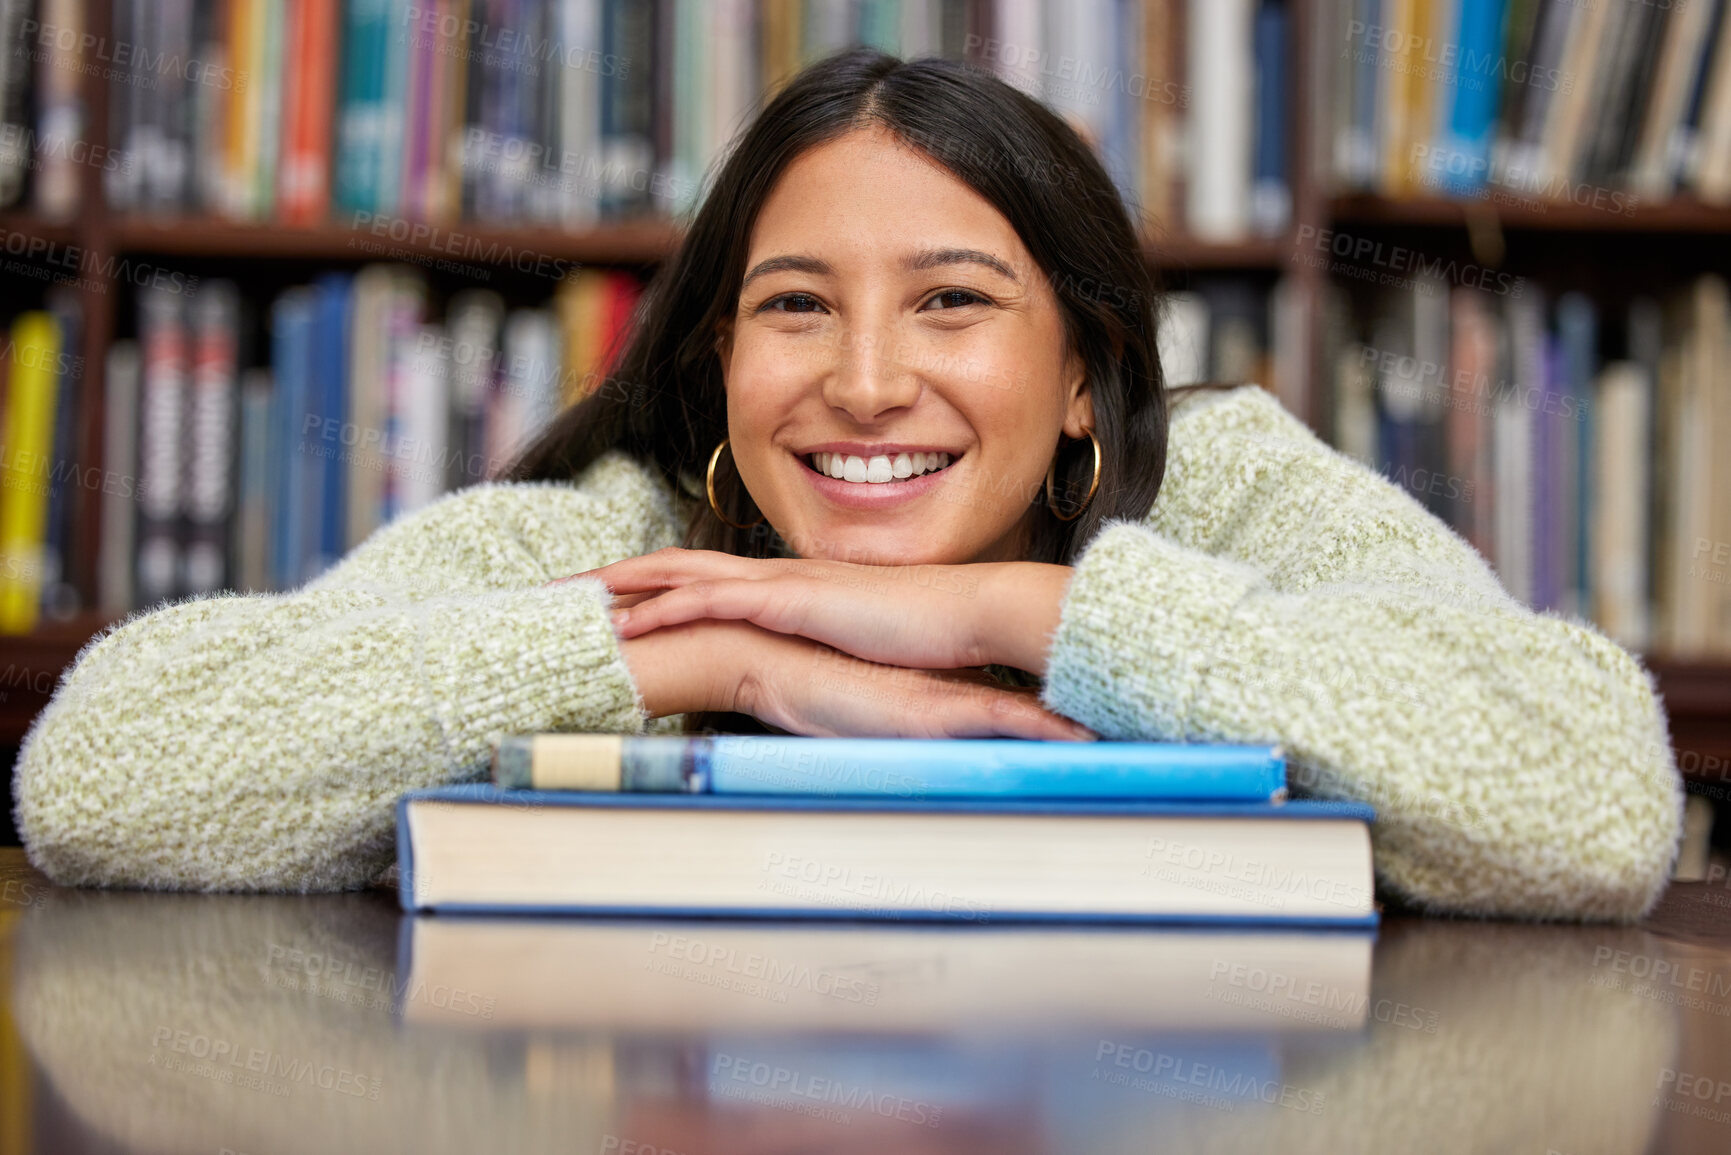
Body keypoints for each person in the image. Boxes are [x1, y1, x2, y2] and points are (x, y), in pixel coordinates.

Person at [12, 50, 1680, 920]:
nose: (865, 379)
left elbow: (1596, 805)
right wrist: (705, 656)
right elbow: (104, 775)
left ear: (1086, 370)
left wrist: (1038, 611)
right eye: (795, 305)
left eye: (954, 301)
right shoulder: (636, 526)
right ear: (718, 360)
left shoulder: (1219, 492)